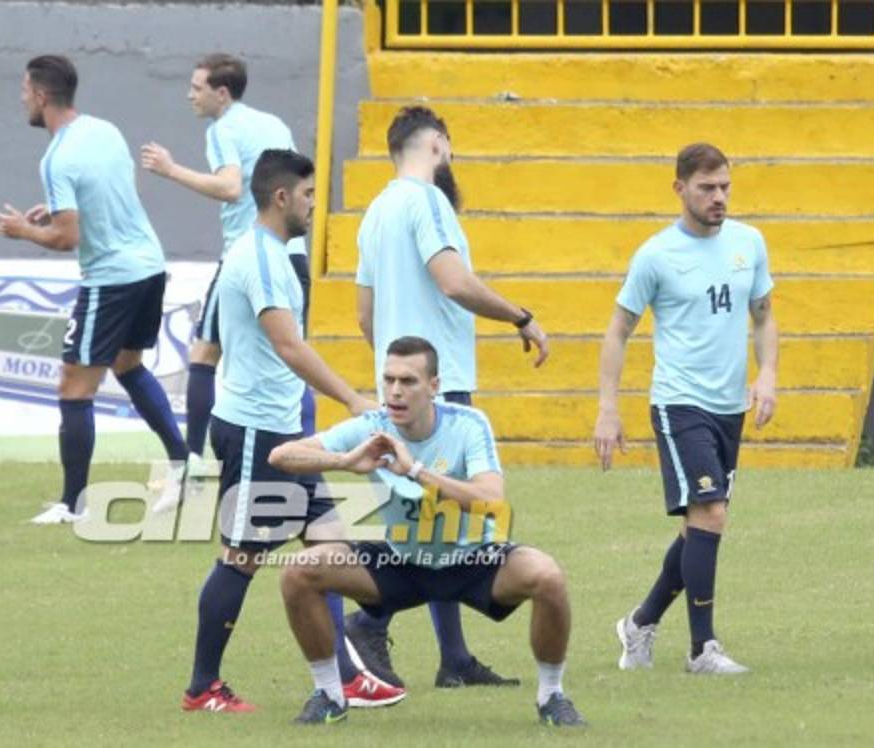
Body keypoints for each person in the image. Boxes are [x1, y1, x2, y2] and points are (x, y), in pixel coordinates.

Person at [270, 337, 586, 726]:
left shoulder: (468, 424)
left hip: (475, 559)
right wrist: (345, 461)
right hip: (400, 560)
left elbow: (491, 497)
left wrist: (417, 473)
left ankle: (552, 696)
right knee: (298, 572)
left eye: (409, 381)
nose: (395, 392)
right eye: (388, 380)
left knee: (548, 578)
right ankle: (329, 695)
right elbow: (281, 456)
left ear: (434, 386)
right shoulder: (373, 427)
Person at [180, 149, 396, 713]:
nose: (313, 205)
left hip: (280, 434)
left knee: (330, 551)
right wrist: (351, 398)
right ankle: (203, 687)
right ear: (281, 197)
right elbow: (288, 345)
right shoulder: (262, 259)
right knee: (241, 558)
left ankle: (345, 676)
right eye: (307, 195)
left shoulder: (270, 252)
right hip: (257, 434)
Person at [345, 104, 550, 692]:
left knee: (435, 521)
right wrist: (522, 317)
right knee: (446, 517)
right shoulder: (427, 201)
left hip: (398, 383)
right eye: (449, 150)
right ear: (437, 144)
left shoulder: (376, 211)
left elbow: (364, 313)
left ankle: (454, 657)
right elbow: (454, 281)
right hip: (437, 380)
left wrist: (395, 370)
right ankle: (370, 619)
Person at [594, 142, 778, 674]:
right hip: (679, 405)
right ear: (680, 189)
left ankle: (639, 623)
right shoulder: (656, 256)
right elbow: (618, 330)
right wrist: (609, 408)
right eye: (707, 188)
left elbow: (764, 316)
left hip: (729, 409)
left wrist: (766, 375)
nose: (719, 197)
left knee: (699, 528)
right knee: (711, 513)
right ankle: (703, 649)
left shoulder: (749, 243)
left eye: (725, 187)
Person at [0, 55, 189, 524]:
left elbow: (67, 238)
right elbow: (114, 189)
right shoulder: (104, 130)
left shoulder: (56, 157)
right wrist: (60, 207)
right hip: (148, 265)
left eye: (25, 89)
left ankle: (72, 504)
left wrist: (23, 231)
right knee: (128, 364)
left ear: (42, 95)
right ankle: (186, 463)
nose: (21, 97)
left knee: (74, 388)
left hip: (112, 279)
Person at [141, 53, 316, 466]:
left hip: (249, 255)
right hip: (293, 257)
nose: (190, 95)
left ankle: (191, 464)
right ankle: (304, 452)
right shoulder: (272, 123)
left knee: (204, 356)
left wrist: (170, 170)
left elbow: (230, 187)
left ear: (222, 93)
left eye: (197, 88)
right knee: (291, 357)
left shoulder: (224, 128)